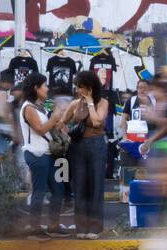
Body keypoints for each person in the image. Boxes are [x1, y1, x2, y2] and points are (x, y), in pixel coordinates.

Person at [19, 72, 68, 239]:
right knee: (39, 192)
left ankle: (53, 225)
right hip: (37, 154)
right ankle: (35, 228)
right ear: (36, 88)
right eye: (44, 85)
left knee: (59, 190)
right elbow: (40, 129)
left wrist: (59, 121)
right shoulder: (28, 108)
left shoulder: (40, 106)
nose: (47, 88)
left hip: (49, 154)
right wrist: (54, 117)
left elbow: (49, 127)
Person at [67, 70, 109, 238]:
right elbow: (62, 122)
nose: (78, 90)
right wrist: (67, 135)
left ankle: (94, 227)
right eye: (77, 87)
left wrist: (90, 102)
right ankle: (81, 227)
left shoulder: (103, 102)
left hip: (96, 145)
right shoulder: (75, 104)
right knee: (79, 186)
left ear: (90, 88)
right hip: (77, 146)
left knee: (96, 186)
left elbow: (97, 121)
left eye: (81, 87)